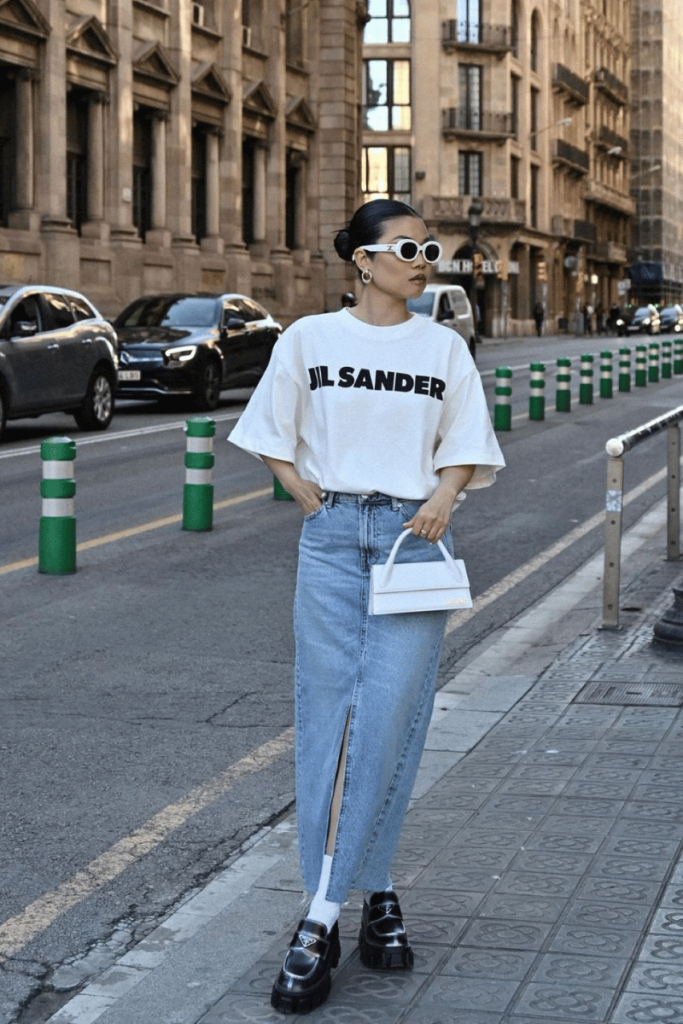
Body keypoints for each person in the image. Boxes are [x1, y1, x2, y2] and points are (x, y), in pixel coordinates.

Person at [229, 198, 505, 1015]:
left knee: (391, 717)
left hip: (412, 542)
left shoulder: (443, 346)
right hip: (332, 535)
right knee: (326, 719)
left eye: (431, 248)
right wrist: (299, 489)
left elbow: (466, 443)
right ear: (361, 259)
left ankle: (320, 916)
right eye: (409, 247)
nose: (425, 259)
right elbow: (272, 428)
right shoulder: (308, 339)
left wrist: (447, 497)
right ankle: (371, 891)